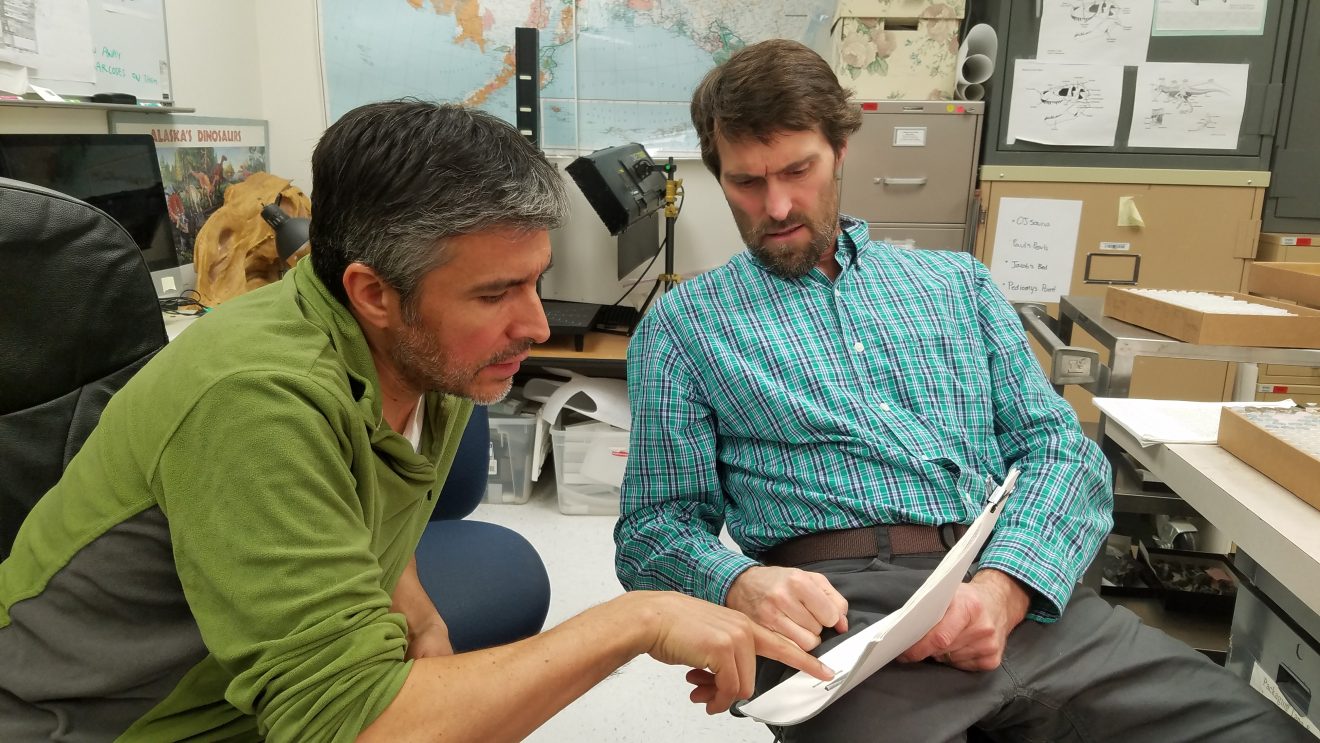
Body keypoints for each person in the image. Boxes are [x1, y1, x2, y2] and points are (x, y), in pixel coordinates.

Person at [0, 101, 831, 742]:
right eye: (495, 293)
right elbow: (348, 726)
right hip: (110, 717)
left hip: (242, 679)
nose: (537, 326)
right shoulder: (254, 401)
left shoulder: (418, 348)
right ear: (374, 293)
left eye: (533, 280)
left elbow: (359, 503)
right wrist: (637, 618)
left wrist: (423, 623)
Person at [615, 39, 1309, 742]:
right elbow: (652, 529)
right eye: (747, 183)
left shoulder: (957, 286)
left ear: (842, 151)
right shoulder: (683, 327)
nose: (779, 204)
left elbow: (1059, 452)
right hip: (842, 619)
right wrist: (738, 583)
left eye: (800, 169)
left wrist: (1002, 591)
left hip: (1013, 584)